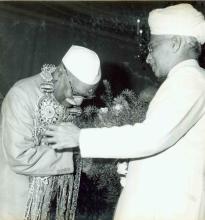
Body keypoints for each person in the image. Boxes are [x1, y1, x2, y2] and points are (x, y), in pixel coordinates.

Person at [44, 4, 205, 220]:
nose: (148, 58)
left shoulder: (188, 81)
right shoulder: (187, 80)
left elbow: (152, 137)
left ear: (175, 43)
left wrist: (80, 137)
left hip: (166, 207)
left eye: (152, 47)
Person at [0, 45, 101, 220]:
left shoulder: (71, 101)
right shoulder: (22, 95)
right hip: (16, 205)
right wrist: (75, 155)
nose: (78, 102)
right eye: (76, 92)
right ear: (61, 72)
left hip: (53, 205)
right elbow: (19, 157)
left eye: (85, 96)